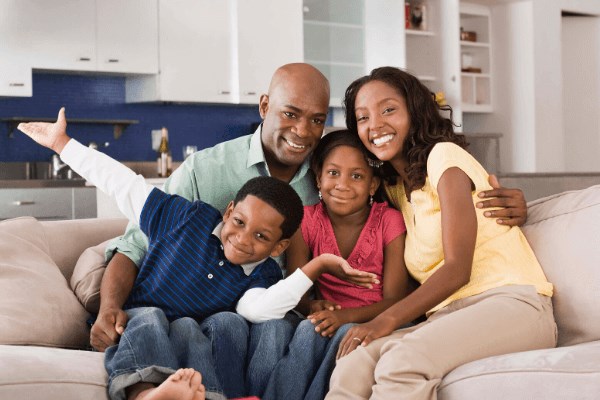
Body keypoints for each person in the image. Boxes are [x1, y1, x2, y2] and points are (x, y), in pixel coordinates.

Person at [90, 62, 528, 397]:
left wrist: (508, 202)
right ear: (264, 107)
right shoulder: (206, 170)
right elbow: (134, 244)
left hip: (272, 311)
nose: (303, 131)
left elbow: (429, 200)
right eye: (291, 114)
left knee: (283, 331)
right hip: (200, 305)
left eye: (317, 119)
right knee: (189, 324)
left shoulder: (336, 182)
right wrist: (109, 303)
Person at [17, 108, 379, 400]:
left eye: (260, 236)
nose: (241, 239)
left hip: (193, 334)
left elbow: (259, 309)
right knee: (147, 318)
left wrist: (314, 268)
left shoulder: (263, 275)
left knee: (200, 330)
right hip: (144, 317)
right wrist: (64, 144)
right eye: (238, 222)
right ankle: (147, 394)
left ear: (279, 247)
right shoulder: (184, 217)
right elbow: (123, 184)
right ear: (228, 210)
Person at [325, 67, 557, 400]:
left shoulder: (444, 158)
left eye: (388, 109)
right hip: (452, 315)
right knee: (354, 363)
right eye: (363, 118)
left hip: (513, 305)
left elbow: (457, 268)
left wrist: (384, 321)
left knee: (402, 361)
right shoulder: (396, 191)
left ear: (415, 112)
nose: (375, 125)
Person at [256, 130, 410, 400]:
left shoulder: (389, 222)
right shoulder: (307, 220)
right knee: (307, 329)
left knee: (342, 336)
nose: (342, 184)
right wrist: (312, 306)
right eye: (333, 173)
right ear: (318, 178)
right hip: (328, 320)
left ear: (373, 185)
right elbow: (298, 292)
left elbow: (397, 300)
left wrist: (344, 317)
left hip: (377, 321)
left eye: (357, 176)